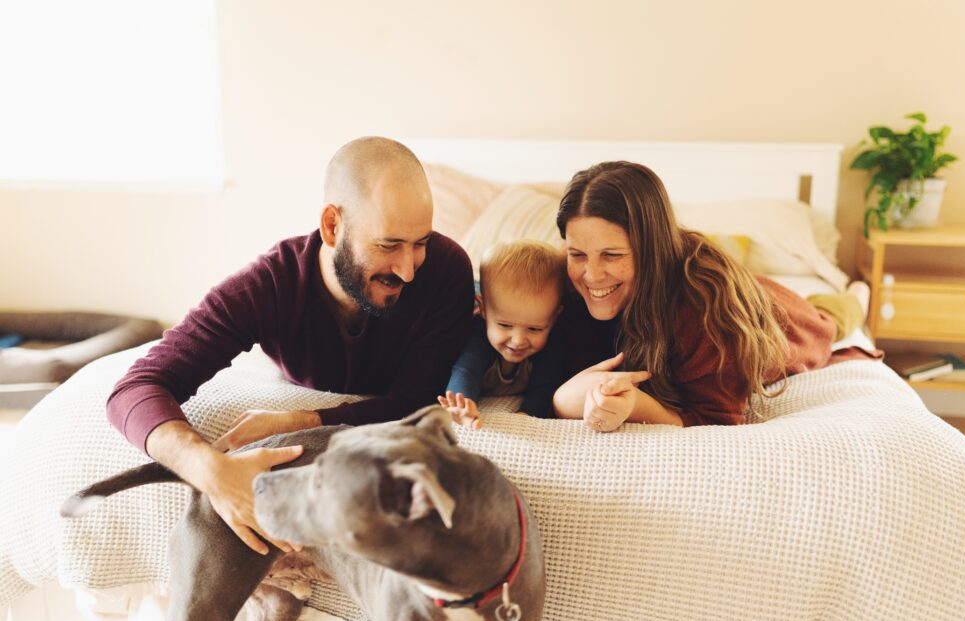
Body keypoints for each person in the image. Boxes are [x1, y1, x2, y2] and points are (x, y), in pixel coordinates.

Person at [107, 137, 474, 554]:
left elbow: (414, 403)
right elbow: (134, 389)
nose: (408, 270)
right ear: (333, 226)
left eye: (420, 243)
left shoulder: (446, 271)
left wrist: (297, 421)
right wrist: (210, 470)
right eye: (388, 245)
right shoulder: (272, 285)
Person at [552, 160, 877, 432]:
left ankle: (857, 296)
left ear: (651, 249)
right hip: (733, 286)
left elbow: (716, 419)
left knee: (832, 317)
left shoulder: (704, 310)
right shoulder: (561, 282)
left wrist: (638, 405)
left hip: (783, 315)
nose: (591, 275)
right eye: (577, 254)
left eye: (611, 255)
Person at [438, 239, 564, 428]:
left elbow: (546, 387)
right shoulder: (478, 336)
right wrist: (463, 404)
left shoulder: (551, 344)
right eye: (505, 325)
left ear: (554, 318)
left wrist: (527, 414)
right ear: (484, 310)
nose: (518, 340)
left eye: (535, 329)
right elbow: (466, 371)